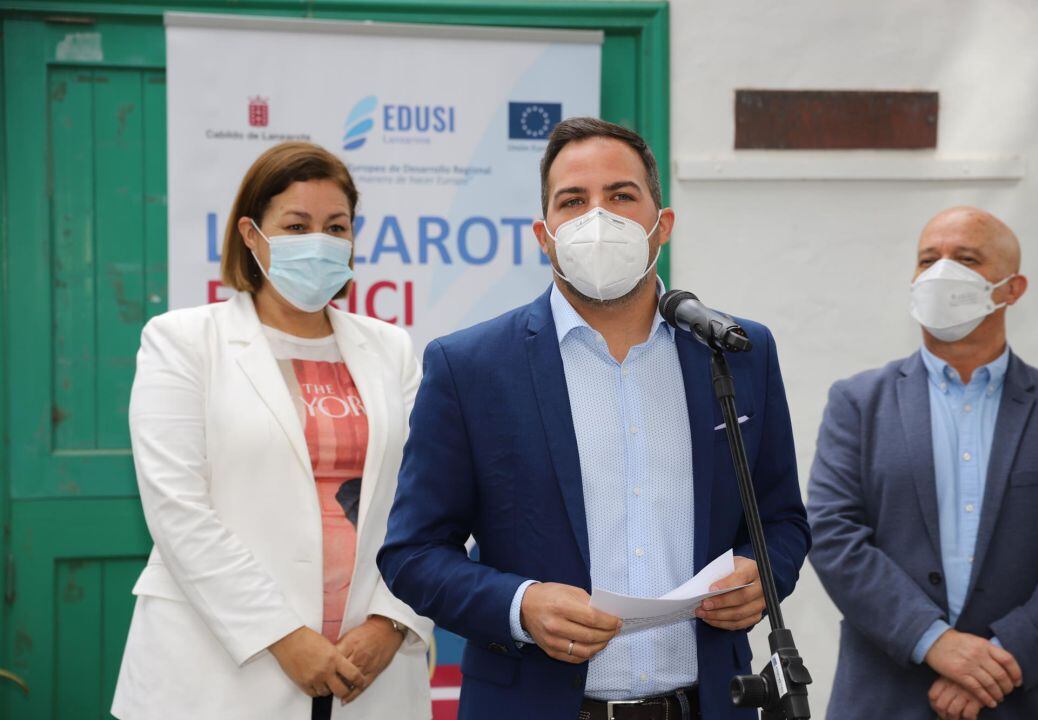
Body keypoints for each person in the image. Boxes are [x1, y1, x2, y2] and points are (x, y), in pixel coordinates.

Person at [377, 117, 810, 720]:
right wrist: (519, 605)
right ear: (544, 233)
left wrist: (762, 578)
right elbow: (413, 553)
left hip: (709, 704)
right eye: (573, 201)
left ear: (663, 225)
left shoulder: (736, 351)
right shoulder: (469, 367)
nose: (597, 218)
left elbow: (782, 520)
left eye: (621, 196)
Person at [112, 142, 433, 720]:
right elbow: (177, 509)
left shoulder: (391, 349)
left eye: (337, 227)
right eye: (296, 225)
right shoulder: (183, 342)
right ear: (251, 235)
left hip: (370, 669)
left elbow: (432, 497)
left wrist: (391, 622)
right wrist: (283, 634)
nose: (320, 241)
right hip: (219, 667)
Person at [807, 207, 1038, 719]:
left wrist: (1004, 656)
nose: (940, 272)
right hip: (887, 697)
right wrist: (934, 642)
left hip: (1030, 697)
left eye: (966, 258)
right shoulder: (858, 403)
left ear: (1011, 288)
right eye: (927, 259)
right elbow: (832, 535)